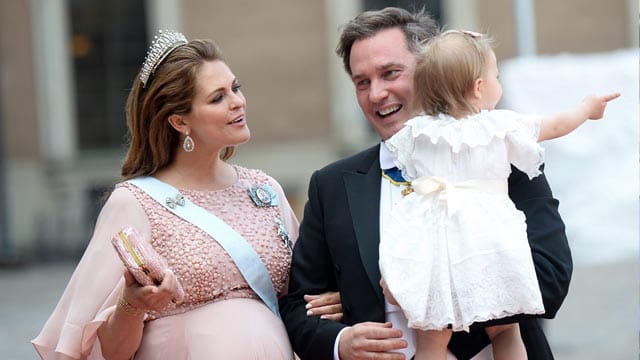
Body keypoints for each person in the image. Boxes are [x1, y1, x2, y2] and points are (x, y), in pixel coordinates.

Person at [280, 7, 574, 360]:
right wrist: (341, 341)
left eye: (391, 73)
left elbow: (549, 278)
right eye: (362, 82)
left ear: (432, 70)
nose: (376, 94)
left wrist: (410, 295)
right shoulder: (331, 185)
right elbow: (299, 309)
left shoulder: (503, 155)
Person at [31, 30, 341, 359]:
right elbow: (110, 350)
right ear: (180, 122)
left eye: (235, 88)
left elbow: (302, 297)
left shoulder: (265, 190)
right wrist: (132, 303)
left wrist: (332, 299)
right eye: (217, 97)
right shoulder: (135, 202)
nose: (237, 101)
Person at [378, 29, 620, 360]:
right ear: (479, 88)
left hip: (434, 248)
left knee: (432, 337)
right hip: (487, 244)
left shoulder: (419, 133)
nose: (497, 81)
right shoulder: (497, 127)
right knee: (506, 328)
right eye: (495, 75)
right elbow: (556, 125)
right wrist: (587, 108)